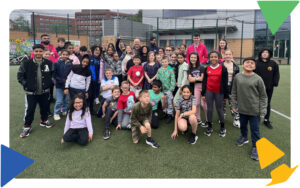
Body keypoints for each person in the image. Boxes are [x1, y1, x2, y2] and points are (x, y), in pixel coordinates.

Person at [231, 58, 268, 161]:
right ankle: (244, 137)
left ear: (255, 67)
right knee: (243, 126)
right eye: (247, 62)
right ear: (243, 64)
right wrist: (233, 104)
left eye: (252, 63)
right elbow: (233, 92)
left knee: (255, 130)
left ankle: (256, 147)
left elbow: (263, 96)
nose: (249, 64)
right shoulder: (238, 77)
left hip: (254, 110)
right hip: (242, 109)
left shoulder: (258, 79)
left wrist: (263, 111)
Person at [18, 44, 54, 138]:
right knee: (30, 109)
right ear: (33, 52)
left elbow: (53, 75)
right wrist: (26, 84)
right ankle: (27, 126)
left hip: (44, 91)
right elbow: (20, 76)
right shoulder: (26, 63)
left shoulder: (49, 63)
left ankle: (44, 120)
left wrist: (49, 83)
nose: (38, 53)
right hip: (31, 92)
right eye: (36, 51)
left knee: (45, 107)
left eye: (40, 51)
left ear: (43, 52)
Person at [201, 51, 229, 137]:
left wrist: (225, 95)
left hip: (219, 92)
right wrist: (203, 93)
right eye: (212, 57)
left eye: (215, 57)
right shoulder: (207, 68)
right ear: (209, 58)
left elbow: (225, 82)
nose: (213, 58)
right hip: (209, 91)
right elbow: (204, 81)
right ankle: (209, 127)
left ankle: (222, 127)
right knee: (209, 109)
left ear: (219, 58)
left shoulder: (223, 68)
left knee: (219, 109)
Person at [254, 48, 280, 129]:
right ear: (260, 53)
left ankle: (266, 120)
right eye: (263, 52)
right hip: (256, 88)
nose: (265, 53)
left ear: (269, 54)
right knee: (255, 103)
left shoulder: (273, 63)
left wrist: (274, 83)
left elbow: (276, 74)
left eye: (267, 52)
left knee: (267, 103)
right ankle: (254, 119)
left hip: (269, 87)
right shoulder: (256, 63)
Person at [221, 49, 240, 127]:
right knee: (222, 104)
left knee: (233, 103)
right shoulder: (221, 65)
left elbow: (238, 77)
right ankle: (222, 117)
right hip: (223, 87)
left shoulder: (235, 65)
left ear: (232, 56)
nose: (228, 56)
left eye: (229, 54)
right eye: (226, 54)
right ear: (224, 56)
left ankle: (236, 119)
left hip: (232, 87)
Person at [188, 52, 207, 127]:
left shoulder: (201, 67)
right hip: (195, 86)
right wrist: (197, 78)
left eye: (194, 57)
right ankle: (198, 118)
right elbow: (190, 80)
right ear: (189, 58)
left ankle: (207, 120)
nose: (193, 59)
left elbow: (202, 78)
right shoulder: (190, 68)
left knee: (204, 104)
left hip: (203, 86)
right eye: (191, 57)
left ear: (197, 58)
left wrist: (194, 78)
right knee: (197, 103)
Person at [53, 49, 73, 121]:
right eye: (63, 54)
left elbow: (71, 75)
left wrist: (67, 83)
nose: (65, 56)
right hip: (59, 85)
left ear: (68, 55)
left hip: (67, 86)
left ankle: (64, 110)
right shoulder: (56, 63)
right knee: (59, 100)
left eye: (66, 55)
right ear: (60, 55)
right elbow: (54, 74)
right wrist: (61, 81)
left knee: (67, 99)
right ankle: (56, 113)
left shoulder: (70, 64)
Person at [156, 56, 176, 124]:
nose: (164, 63)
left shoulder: (170, 70)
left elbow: (173, 80)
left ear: (168, 62)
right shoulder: (159, 70)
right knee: (164, 102)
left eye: (166, 62)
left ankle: (170, 115)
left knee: (169, 102)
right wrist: (158, 88)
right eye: (163, 62)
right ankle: (165, 113)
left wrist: (171, 89)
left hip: (169, 89)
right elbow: (158, 79)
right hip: (162, 89)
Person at [88, 45, 102, 114]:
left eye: (99, 50)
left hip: (97, 80)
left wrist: (99, 79)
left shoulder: (100, 59)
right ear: (93, 51)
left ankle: (91, 109)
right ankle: (86, 109)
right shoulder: (90, 58)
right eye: (96, 50)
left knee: (93, 95)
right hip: (90, 80)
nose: (97, 51)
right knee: (89, 95)